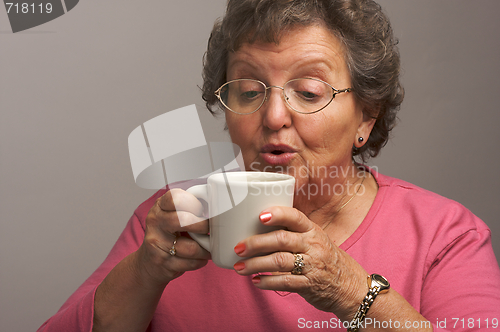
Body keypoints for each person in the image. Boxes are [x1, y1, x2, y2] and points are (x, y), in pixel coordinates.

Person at [38, 0, 500, 331]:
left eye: (309, 92)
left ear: (366, 114)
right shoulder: (170, 222)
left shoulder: (445, 234)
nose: (274, 117)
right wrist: (145, 270)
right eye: (249, 91)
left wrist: (348, 289)